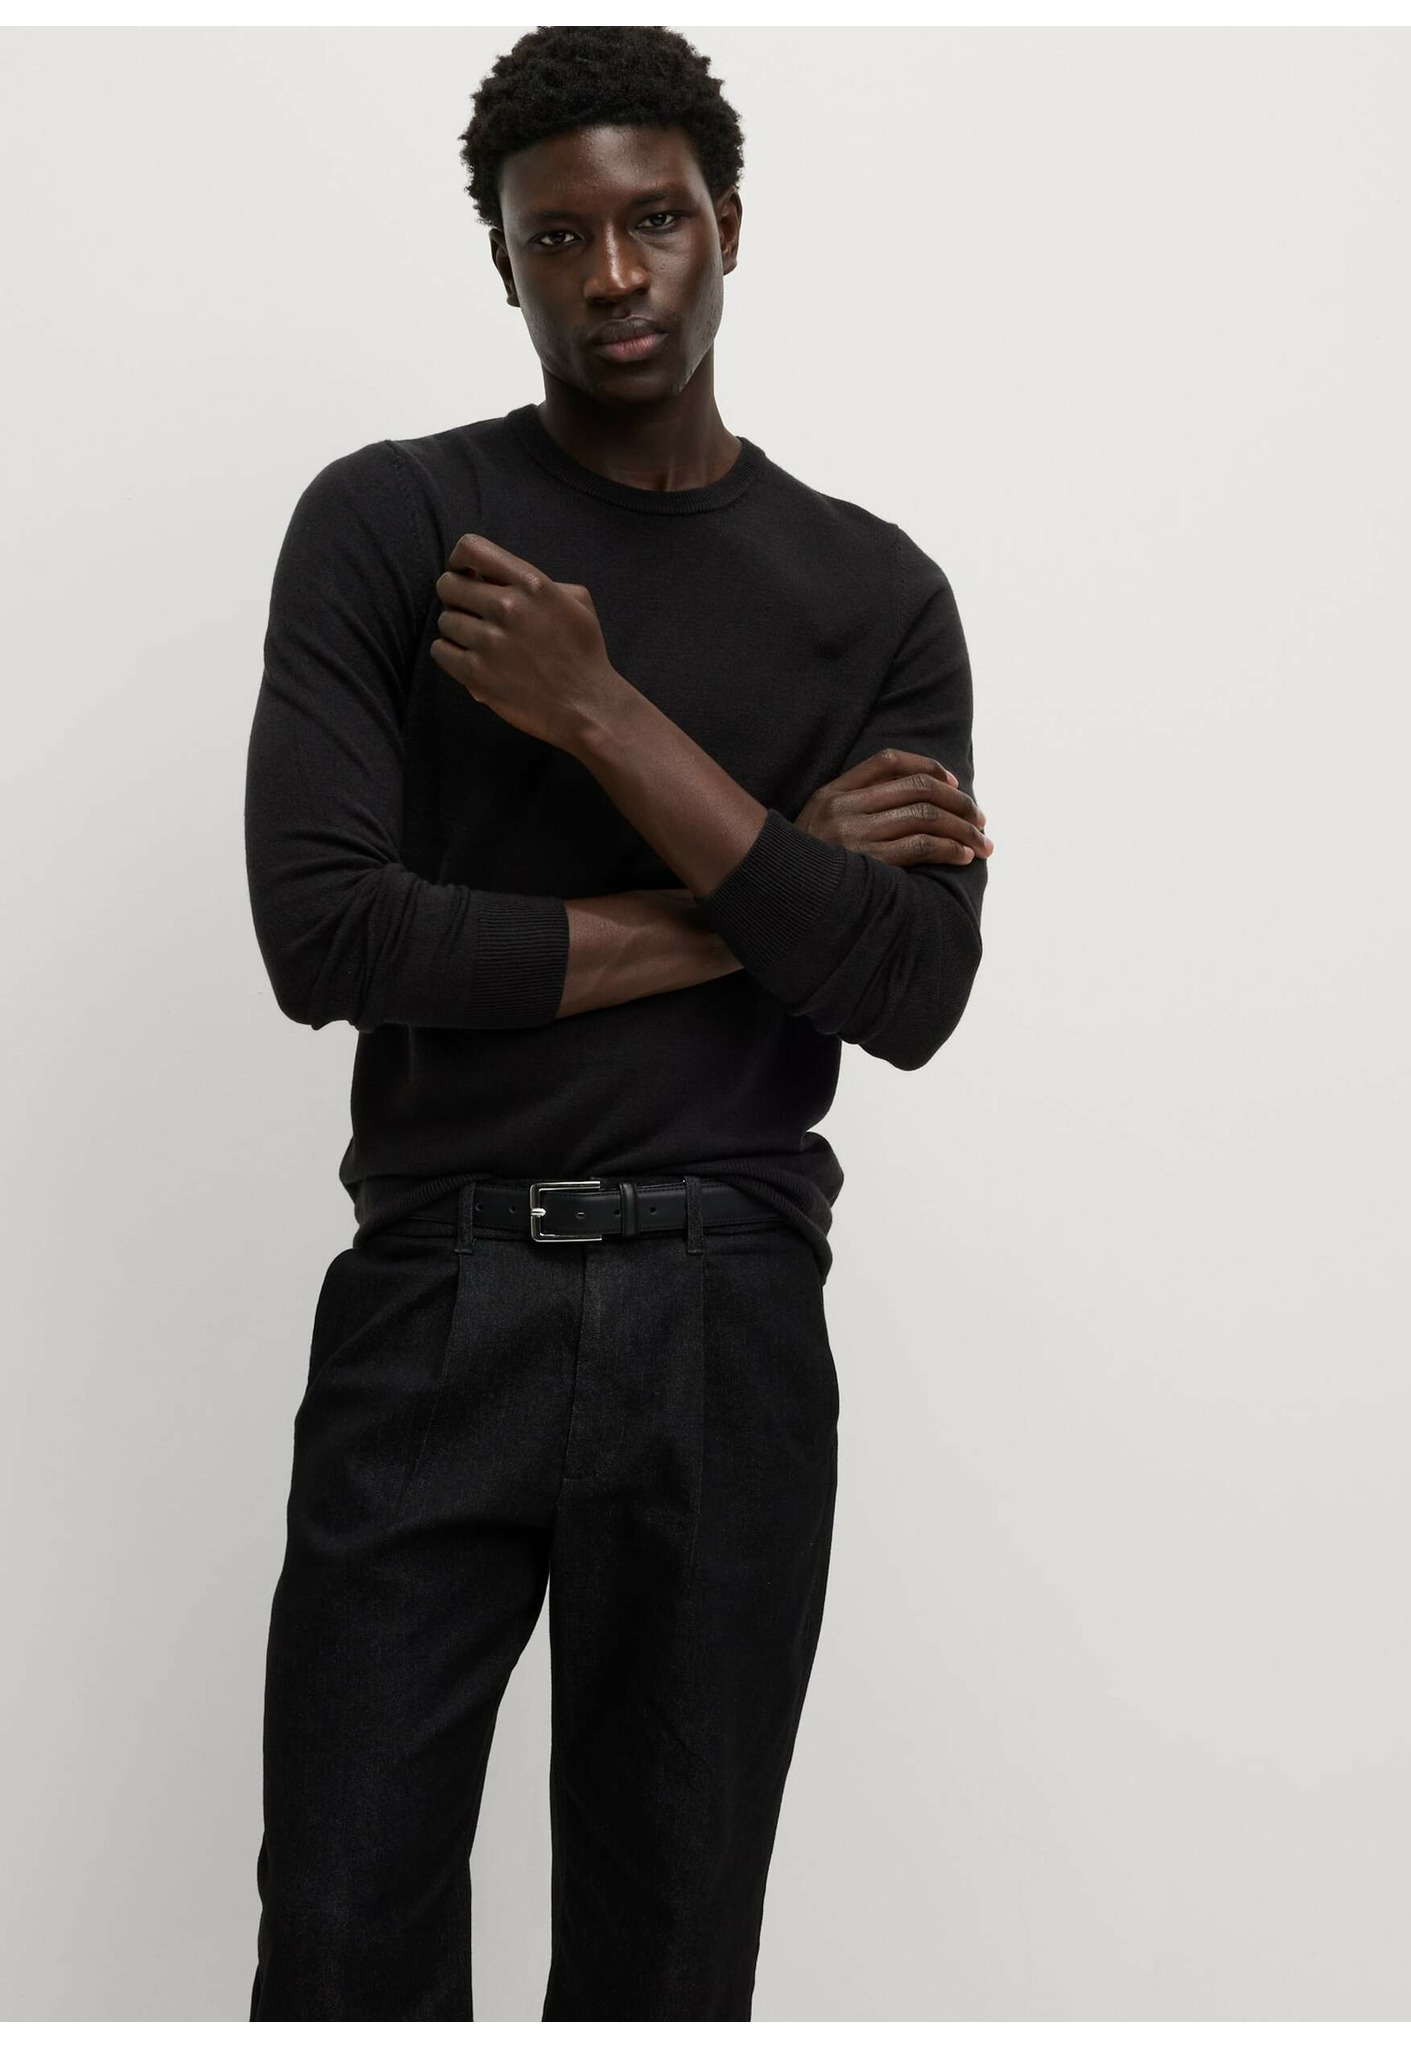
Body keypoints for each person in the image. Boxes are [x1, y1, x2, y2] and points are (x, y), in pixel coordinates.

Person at [243, 24, 991, 2023]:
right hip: (440, 1289)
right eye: (557, 236)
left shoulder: (872, 595)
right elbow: (329, 935)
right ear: (503, 260)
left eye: (654, 220)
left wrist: (600, 714)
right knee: (341, 1937)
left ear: (727, 223)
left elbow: (911, 989)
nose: (614, 274)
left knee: (669, 1962)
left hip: (729, 1304)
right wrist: (776, 884)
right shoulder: (396, 528)